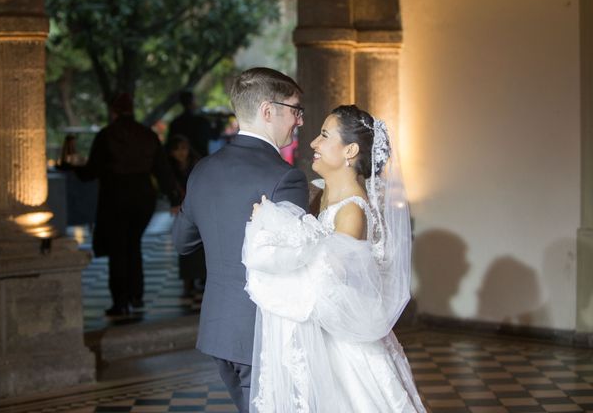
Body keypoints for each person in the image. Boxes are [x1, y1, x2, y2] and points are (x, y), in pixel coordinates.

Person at [243, 105, 425, 412]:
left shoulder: (352, 212)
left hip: (341, 346)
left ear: (350, 150)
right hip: (317, 337)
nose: (313, 143)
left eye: (324, 135)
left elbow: (327, 281)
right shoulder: (317, 193)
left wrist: (277, 229)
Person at [172, 67, 309, 412]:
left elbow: (182, 243)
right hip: (264, 332)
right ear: (268, 110)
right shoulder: (285, 177)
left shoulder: (203, 169)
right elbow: (298, 260)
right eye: (295, 110)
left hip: (219, 329)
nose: (300, 121)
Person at [76, 93, 176, 316]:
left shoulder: (106, 135)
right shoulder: (147, 135)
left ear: (113, 111)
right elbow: (163, 171)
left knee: (118, 249)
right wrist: (175, 197)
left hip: (116, 196)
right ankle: (136, 295)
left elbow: (91, 171)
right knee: (133, 244)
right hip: (143, 196)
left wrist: (72, 167)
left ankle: (120, 300)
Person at [166, 134, 205, 298]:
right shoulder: (170, 168)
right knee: (185, 244)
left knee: (201, 246)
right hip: (183, 210)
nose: (181, 153)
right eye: (177, 150)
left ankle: (202, 279)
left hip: (199, 208)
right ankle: (188, 283)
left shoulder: (197, 164)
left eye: (184, 149)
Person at [168, 90, 214, 157]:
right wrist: (219, 122)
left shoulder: (175, 123)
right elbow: (214, 135)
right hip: (200, 160)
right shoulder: (201, 121)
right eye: (195, 100)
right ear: (192, 102)